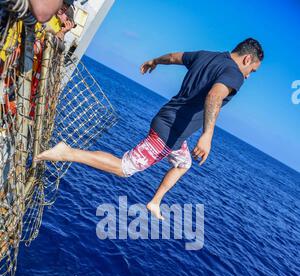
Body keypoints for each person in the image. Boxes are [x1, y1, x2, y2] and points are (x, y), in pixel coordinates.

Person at [35, 38, 264, 220]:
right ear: (246, 59)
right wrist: (207, 135)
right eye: (252, 71)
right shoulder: (235, 74)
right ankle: (66, 152)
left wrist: (154, 60)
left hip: (172, 128)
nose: (249, 76)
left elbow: (175, 57)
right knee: (124, 169)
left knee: (183, 163)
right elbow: (214, 96)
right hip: (168, 132)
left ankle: (155, 202)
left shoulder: (207, 56)